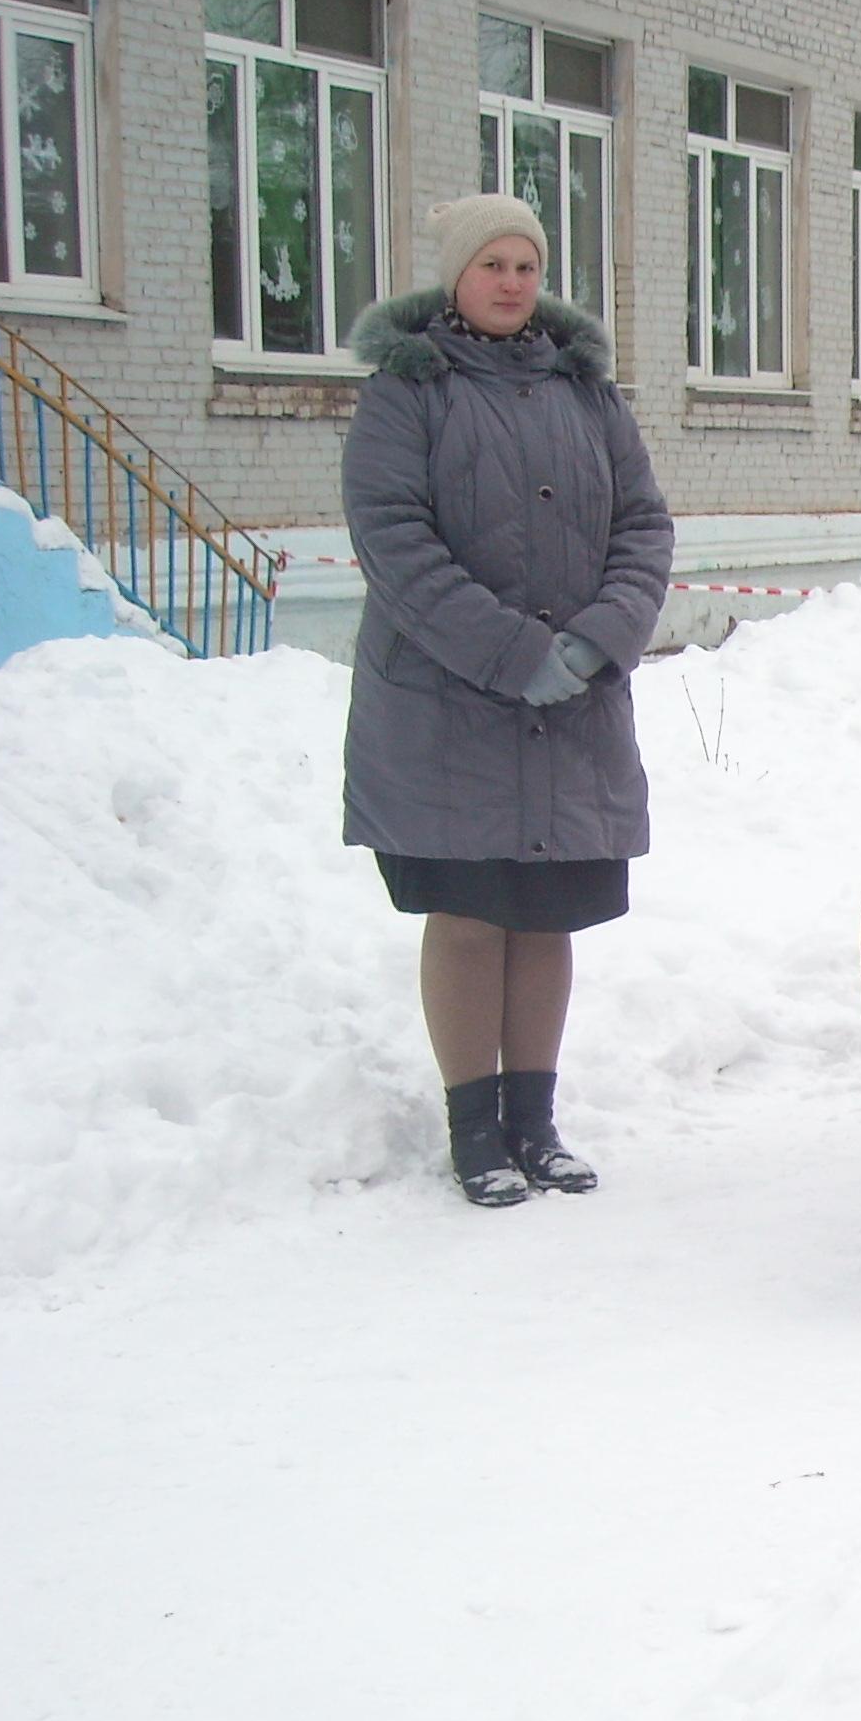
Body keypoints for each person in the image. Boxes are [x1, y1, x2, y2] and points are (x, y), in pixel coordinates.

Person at [341, 194, 671, 1207]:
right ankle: (473, 1130)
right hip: (448, 710)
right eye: (492, 263)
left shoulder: (588, 392)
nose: (513, 282)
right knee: (471, 915)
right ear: (456, 275)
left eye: (526, 264)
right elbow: (393, 538)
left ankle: (536, 1124)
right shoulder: (410, 390)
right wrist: (512, 651)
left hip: (570, 703)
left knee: (543, 920)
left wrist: (594, 641)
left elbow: (643, 528)